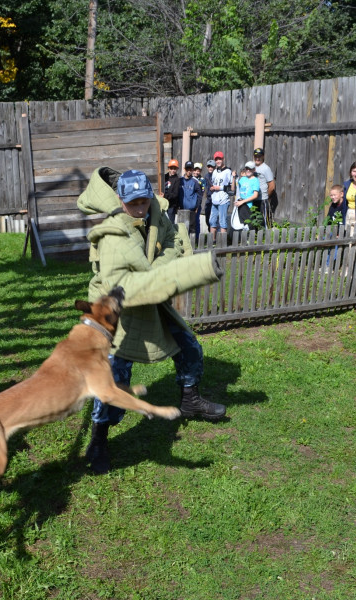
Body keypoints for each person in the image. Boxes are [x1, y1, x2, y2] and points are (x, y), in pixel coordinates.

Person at [77, 168, 227, 473]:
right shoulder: (112, 233)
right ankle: (99, 438)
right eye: (132, 203)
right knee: (113, 376)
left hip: (154, 296)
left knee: (189, 347)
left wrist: (156, 269)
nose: (139, 208)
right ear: (120, 200)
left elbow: (174, 242)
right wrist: (157, 277)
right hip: (119, 306)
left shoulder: (157, 214)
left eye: (143, 201)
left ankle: (190, 399)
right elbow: (121, 285)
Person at [209, 151, 233, 235]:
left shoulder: (228, 171)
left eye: (220, 159)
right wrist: (212, 188)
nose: (218, 161)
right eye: (216, 159)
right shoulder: (215, 171)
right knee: (212, 221)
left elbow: (231, 188)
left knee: (222, 222)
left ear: (223, 159)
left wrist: (219, 188)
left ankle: (222, 243)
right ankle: (212, 242)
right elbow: (214, 183)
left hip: (223, 200)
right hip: (214, 199)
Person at [232, 162, 259, 230]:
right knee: (240, 225)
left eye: (250, 169)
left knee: (249, 225)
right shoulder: (243, 179)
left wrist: (243, 202)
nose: (248, 170)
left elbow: (255, 195)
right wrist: (233, 178)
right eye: (247, 168)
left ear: (254, 170)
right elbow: (233, 189)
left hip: (248, 206)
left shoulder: (255, 180)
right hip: (239, 205)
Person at [252, 147, 276, 224]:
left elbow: (272, 186)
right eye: (256, 156)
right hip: (253, 199)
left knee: (263, 222)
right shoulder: (252, 168)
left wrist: (266, 197)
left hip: (262, 200)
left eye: (259, 156)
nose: (257, 158)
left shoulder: (266, 168)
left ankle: (265, 236)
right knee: (254, 222)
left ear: (263, 156)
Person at [180, 161, 202, 236]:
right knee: (182, 227)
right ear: (184, 169)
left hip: (192, 208)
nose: (189, 171)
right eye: (187, 169)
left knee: (192, 227)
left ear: (192, 170)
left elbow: (200, 195)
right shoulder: (180, 181)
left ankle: (193, 244)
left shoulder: (195, 182)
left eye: (190, 170)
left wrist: (197, 206)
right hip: (182, 208)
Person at [193, 162, 206, 238]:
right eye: (195, 170)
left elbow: (202, 192)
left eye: (198, 171)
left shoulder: (202, 180)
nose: (196, 172)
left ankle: (197, 238)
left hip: (197, 203)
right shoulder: (190, 178)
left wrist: (198, 205)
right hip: (190, 203)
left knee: (196, 221)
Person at [203, 159, 216, 232]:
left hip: (215, 199)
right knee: (207, 217)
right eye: (209, 166)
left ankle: (214, 235)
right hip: (208, 199)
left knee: (214, 218)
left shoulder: (216, 175)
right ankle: (209, 232)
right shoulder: (206, 176)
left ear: (214, 167)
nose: (210, 168)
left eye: (212, 167)